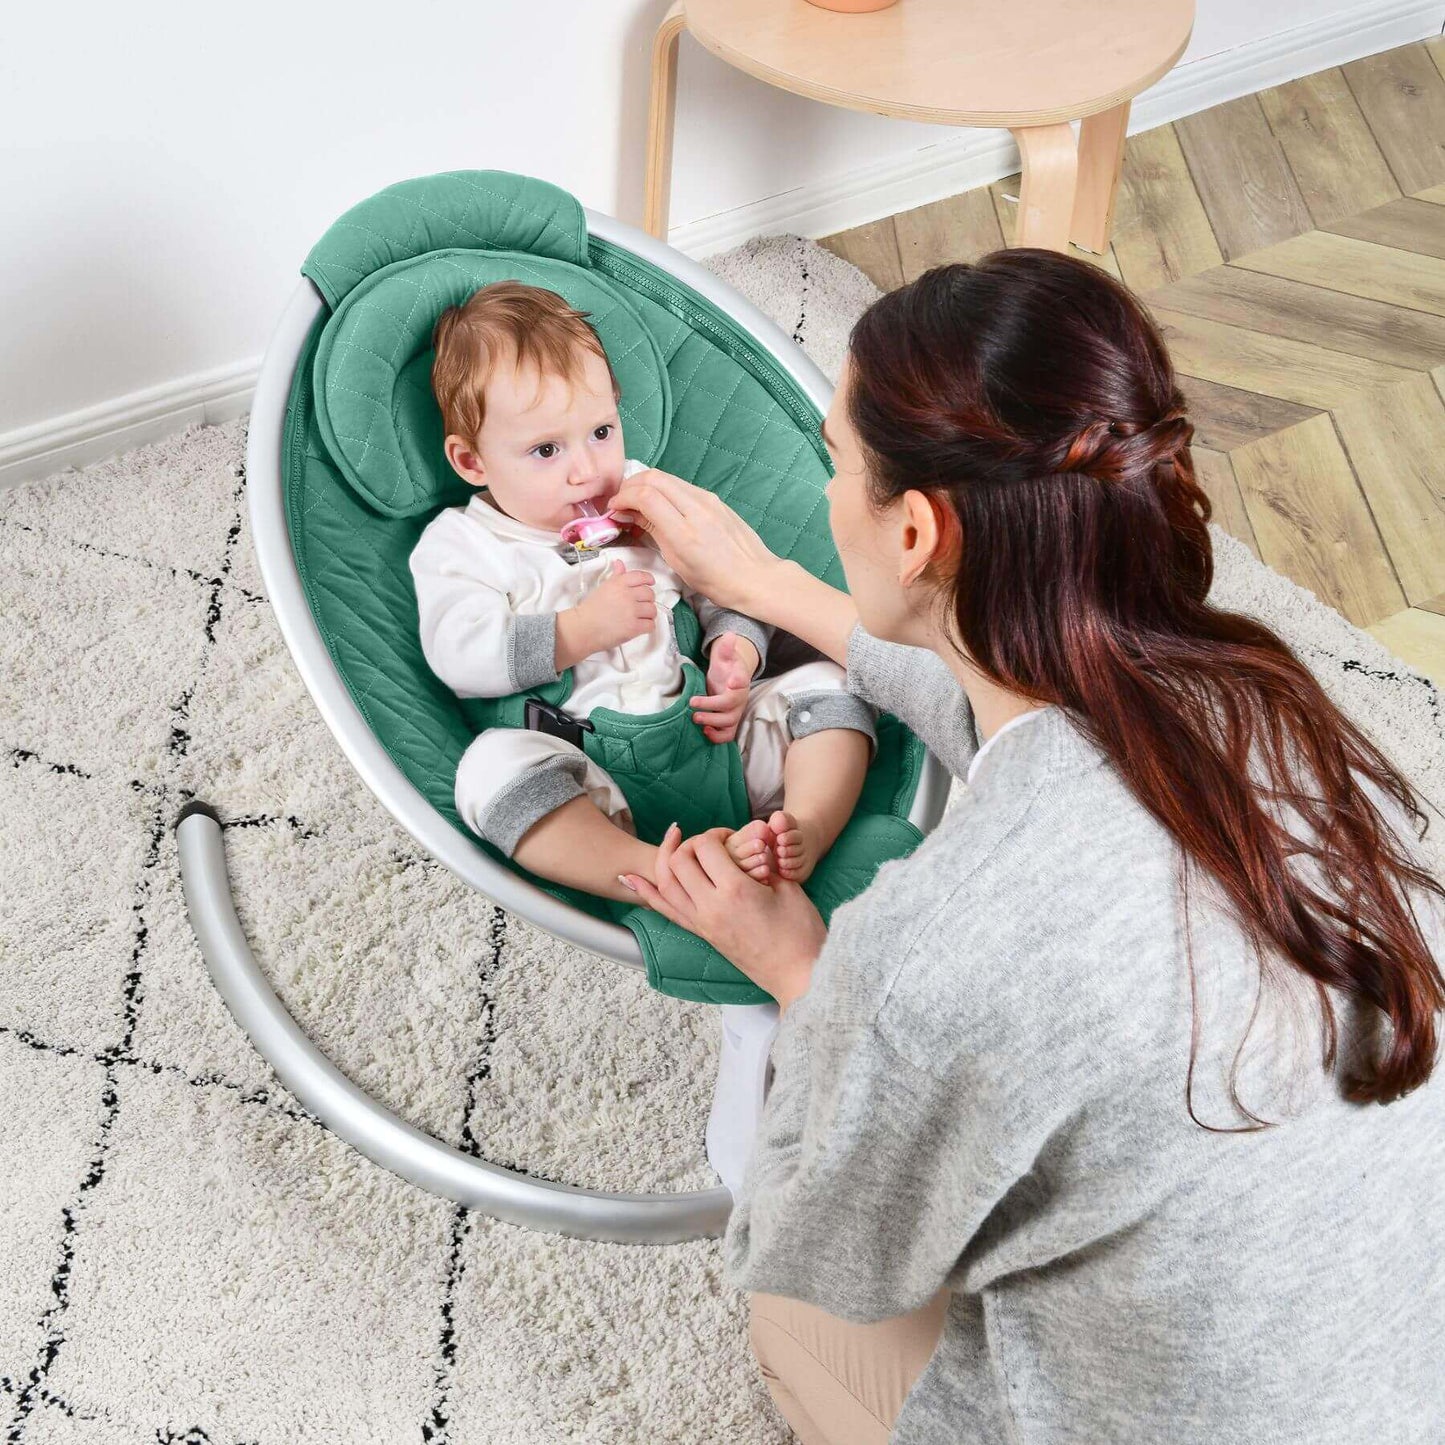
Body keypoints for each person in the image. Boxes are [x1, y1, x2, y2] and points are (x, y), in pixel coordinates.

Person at [607, 250, 1445, 1444]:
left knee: (791, 1328)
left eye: (833, 462)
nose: (825, 486)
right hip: (1408, 1376)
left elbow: (816, 1243)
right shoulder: (1261, 701)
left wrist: (803, 970)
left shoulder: (928, 953)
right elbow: (1026, 714)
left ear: (912, 531)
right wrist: (775, 587)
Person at [409, 280, 878, 903]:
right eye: (546, 449)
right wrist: (577, 631)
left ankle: (804, 829)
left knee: (833, 684)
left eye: (601, 431)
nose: (587, 469)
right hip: (591, 777)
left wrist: (737, 655)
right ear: (472, 463)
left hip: (714, 741)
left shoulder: (642, 496)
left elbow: (723, 584)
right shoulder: (461, 546)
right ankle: (654, 875)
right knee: (488, 772)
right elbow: (458, 653)